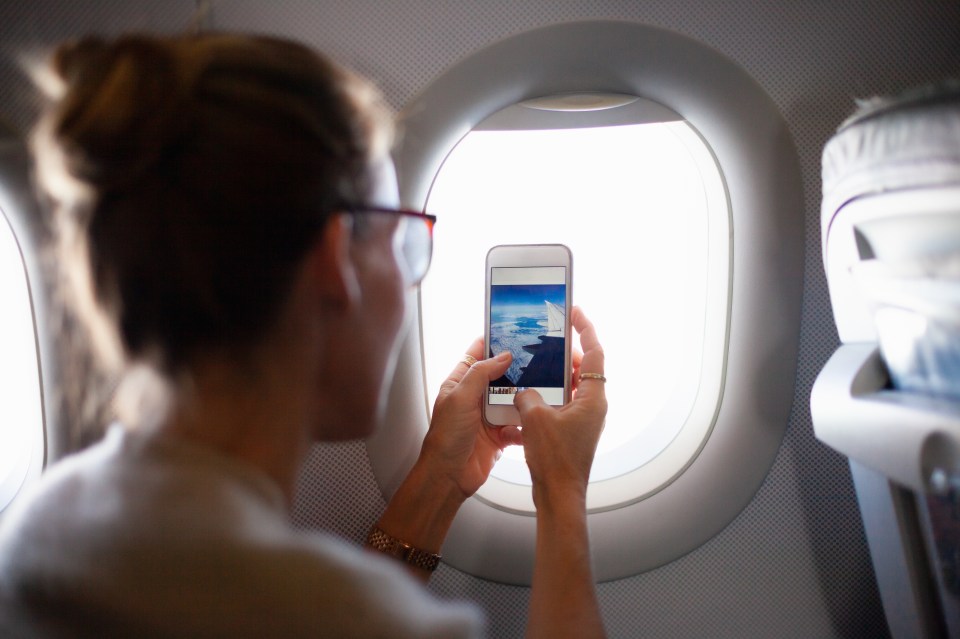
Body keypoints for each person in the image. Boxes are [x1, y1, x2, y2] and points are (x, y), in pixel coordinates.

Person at [0, 32, 608, 638]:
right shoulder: (367, 620)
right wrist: (562, 495)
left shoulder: (41, 527)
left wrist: (443, 479)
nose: (410, 279)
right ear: (335, 259)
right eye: (402, 241)